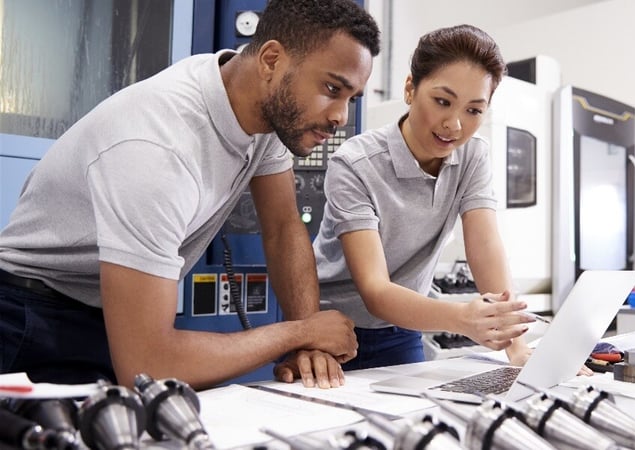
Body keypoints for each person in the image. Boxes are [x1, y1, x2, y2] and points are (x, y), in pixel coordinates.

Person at [0, 0, 380, 390]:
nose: (341, 117)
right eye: (332, 89)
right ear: (270, 60)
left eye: (352, 98)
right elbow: (146, 366)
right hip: (30, 321)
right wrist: (299, 334)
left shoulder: (260, 110)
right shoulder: (157, 148)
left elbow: (283, 227)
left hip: (105, 313)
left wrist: (309, 344)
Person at [313, 24, 570, 373]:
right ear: (410, 89)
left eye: (474, 110)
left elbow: (485, 246)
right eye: (442, 102)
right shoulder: (355, 163)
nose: (455, 125)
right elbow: (374, 290)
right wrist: (462, 318)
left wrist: (517, 348)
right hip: (328, 332)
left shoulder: (472, 156)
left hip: (402, 329)